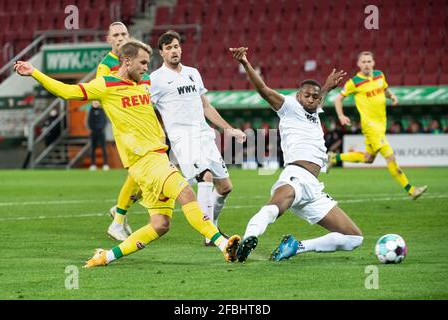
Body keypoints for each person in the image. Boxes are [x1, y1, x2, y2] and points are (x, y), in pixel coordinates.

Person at [14, 40, 241, 268]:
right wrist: (35, 72)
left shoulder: (144, 84)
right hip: (146, 160)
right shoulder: (105, 85)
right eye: (142, 62)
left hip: (155, 160)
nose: (146, 67)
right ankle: (222, 244)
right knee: (187, 194)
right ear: (127, 61)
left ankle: (105, 257)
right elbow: (67, 92)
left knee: (160, 224)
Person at [229, 46, 363, 263]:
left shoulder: (315, 109)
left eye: (315, 96)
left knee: (353, 238)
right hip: (296, 176)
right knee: (276, 206)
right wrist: (245, 63)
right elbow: (263, 89)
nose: (311, 99)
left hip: (314, 188)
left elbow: (320, 98)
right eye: (307, 95)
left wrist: (327, 86)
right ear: (297, 96)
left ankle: (296, 247)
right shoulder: (288, 106)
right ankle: (250, 236)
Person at [150, 31, 246, 246]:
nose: (173, 51)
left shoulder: (193, 73)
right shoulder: (155, 79)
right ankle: (210, 234)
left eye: (176, 46)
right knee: (206, 177)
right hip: (183, 138)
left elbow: (206, 106)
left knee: (225, 187)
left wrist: (228, 129)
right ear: (161, 53)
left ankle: (212, 225)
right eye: (168, 48)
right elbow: (146, 109)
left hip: (204, 135)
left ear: (181, 48)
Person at [328, 51, 427, 200]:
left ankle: (334, 158)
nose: (367, 64)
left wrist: (392, 96)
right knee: (390, 157)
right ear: (359, 64)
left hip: (381, 124)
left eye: (369, 61)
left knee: (368, 158)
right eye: (364, 62)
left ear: (373, 63)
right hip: (370, 126)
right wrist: (341, 116)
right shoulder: (354, 82)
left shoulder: (380, 75)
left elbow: (385, 90)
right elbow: (338, 99)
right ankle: (411, 190)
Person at [94, 22, 138, 241]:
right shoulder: (105, 66)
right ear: (108, 40)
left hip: (141, 125)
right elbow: (95, 98)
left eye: (124, 34)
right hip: (125, 129)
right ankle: (118, 221)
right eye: (116, 35)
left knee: (145, 177)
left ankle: (120, 211)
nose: (120, 37)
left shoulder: (134, 57)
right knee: (140, 173)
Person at [87, 105, 109, 171]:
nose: (95, 103)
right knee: (93, 149)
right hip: (93, 132)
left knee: (103, 148)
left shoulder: (102, 110)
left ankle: (105, 164)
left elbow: (104, 121)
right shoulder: (90, 111)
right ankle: (93, 164)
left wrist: (101, 128)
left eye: (96, 102)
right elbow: (89, 121)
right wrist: (92, 129)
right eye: (94, 102)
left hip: (101, 132)